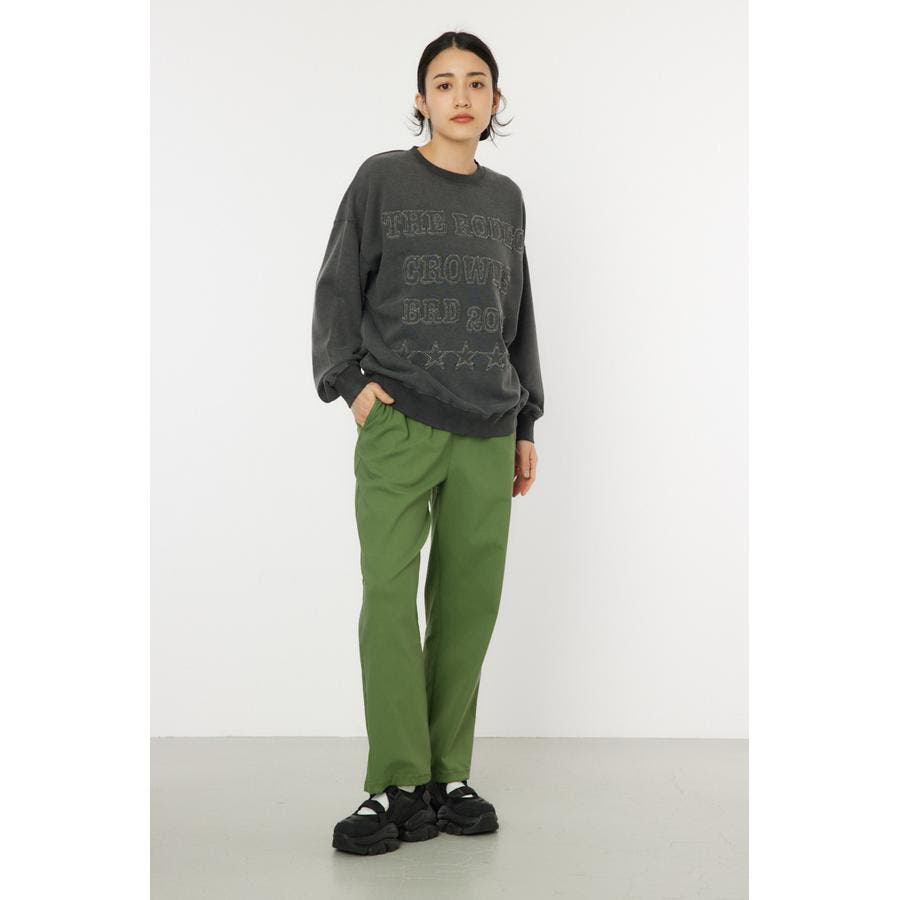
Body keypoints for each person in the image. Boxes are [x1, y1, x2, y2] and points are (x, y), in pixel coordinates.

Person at [312, 31, 545, 856]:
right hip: (400, 419)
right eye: (443, 83)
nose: (461, 96)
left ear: (495, 100)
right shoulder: (381, 179)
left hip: (488, 424)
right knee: (387, 594)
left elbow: (517, 313)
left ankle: (448, 777)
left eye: (476, 82)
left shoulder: (506, 199)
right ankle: (397, 782)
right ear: (420, 100)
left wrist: (526, 420)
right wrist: (350, 384)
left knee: (468, 604)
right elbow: (338, 285)